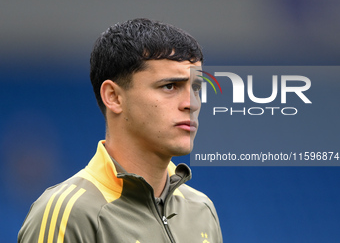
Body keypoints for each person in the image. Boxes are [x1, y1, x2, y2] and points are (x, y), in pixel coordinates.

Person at [18, 18, 223, 243]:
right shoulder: (67, 213)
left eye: (196, 87)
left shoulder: (201, 210)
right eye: (170, 86)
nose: (191, 103)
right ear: (114, 97)